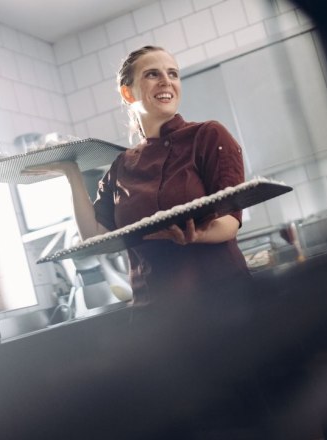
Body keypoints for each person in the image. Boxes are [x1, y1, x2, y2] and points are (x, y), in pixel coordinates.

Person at [28, 45, 251, 305]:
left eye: (173, 74)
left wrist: (197, 234)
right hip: (155, 310)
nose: (167, 81)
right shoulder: (122, 165)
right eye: (153, 74)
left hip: (221, 298)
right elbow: (95, 236)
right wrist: (71, 173)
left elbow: (229, 222)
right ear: (128, 92)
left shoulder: (208, 136)